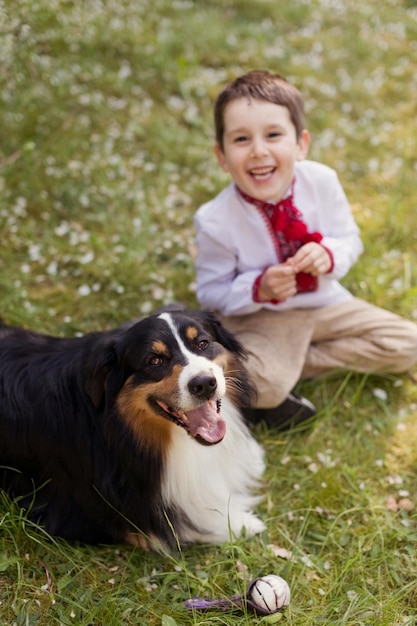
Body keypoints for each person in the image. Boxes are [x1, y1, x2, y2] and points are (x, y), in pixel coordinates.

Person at [194, 69, 417, 430]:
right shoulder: (215, 220)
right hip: (264, 317)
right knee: (260, 385)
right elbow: (211, 293)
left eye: (273, 135)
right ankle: (272, 379)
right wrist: (258, 287)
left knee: (407, 344)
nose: (259, 151)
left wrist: (329, 254)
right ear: (222, 156)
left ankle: (291, 367)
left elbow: (349, 239)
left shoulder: (322, 182)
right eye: (241, 139)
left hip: (326, 303)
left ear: (301, 143)